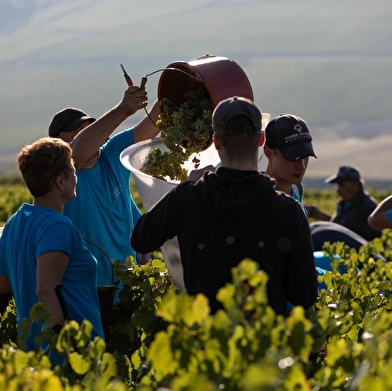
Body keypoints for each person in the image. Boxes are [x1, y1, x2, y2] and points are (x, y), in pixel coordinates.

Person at [131, 96, 318, 316]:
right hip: (265, 344)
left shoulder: (187, 198)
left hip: (204, 342)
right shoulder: (289, 211)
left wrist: (187, 185)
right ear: (260, 140)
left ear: (216, 142)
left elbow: (141, 239)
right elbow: (303, 295)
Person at [48, 85, 160, 290]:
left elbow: (154, 121)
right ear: (57, 144)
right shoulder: (61, 177)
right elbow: (76, 154)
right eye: (76, 133)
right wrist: (123, 109)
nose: (92, 138)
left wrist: (186, 79)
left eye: (91, 130)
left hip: (130, 288)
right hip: (89, 293)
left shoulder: (112, 154)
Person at [0, 138, 104, 353]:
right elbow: (46, 290)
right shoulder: (57, 226)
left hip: (33, 349)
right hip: (68, 353)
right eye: (73, 171)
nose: (76, 178)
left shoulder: (13, 223)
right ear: (60, 181)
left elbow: (3, 284)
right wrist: (67, 349)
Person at [306, 165, 382, 243]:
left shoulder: (368, 207)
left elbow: (375, 242)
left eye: (342, 185)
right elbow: (339, 227)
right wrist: (319, 214)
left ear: (356, 185)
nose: (338, 190)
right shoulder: (343, 202)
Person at [263, 113, 317, 210]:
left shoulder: (296, 189)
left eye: (305, 156)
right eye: (292, 157)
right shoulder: (258, 198)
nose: (301, 166)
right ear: (268, 153)